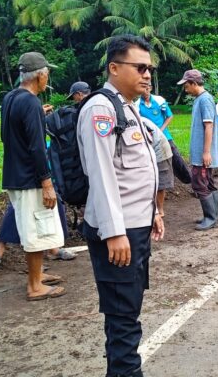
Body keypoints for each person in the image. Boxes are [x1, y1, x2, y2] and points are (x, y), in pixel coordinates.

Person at [77, 35, 165, 377]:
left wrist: (153, 212)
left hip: (136, 227)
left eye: (149, 68)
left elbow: (135, 172)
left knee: (128, 312)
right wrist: (114, 233)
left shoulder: (129, 106)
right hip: (119, 233)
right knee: (123, 319)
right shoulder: (101, 108)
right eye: (139, 67)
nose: (147, 75)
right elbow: (101, 176)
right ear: (114, 68)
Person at [0, 51, 66, 301]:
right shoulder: (31, 103)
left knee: (32, 227)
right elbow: (37, 147)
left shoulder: (11, 98)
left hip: (14, 175)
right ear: (40, 75)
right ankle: (34, 286)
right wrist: (46, 182)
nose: (47, 78)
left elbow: (7, 136)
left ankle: (37, 276)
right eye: (46, 73)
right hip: (30, 179)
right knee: (37, 230)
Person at [180, 69, 218, 230]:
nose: (185, 89)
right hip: (202, 152)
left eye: (186, 85)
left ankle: (210, 217)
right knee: (208, 183)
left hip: (202, 153)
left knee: (199, 183)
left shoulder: (204, 100)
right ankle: (214, 216)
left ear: (194, 83)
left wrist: (206, 152)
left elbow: (209, 126)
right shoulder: (201, 99)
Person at [135, 84, 191, 185]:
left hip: (164, 135)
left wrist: (160, 130)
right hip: (149, 137)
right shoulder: (137, 105)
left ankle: (190, 181)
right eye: (143, 89)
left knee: (176, 157)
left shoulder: (159, 100)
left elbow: (169, 116)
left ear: (150, 88)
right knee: (153, 160)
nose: (145, 91)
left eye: (147, 89)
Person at [141, 117, 174, 217]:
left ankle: (160, 211)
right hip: (151, 150)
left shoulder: (142, 123)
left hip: (161, 151)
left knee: (160, 183)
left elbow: (147, 142)